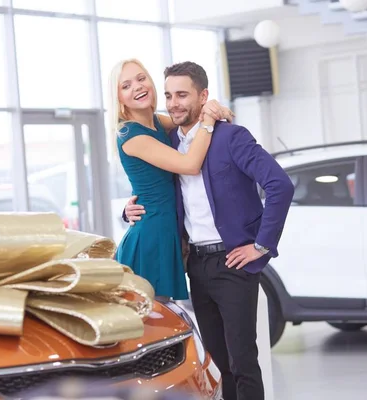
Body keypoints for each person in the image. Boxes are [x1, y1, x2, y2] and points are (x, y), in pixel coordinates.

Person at [124, 61, 294, 400]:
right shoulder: (169, 139)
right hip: (196, 264)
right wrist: (128, 210)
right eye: (170, 95)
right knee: (216, 363)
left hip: (234, 262)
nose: (174, 103)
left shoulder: (232, 137)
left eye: (183, 95)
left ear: (203, 96)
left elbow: (280, 185)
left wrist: (261, 245)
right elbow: (156, 188)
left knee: (243, 360)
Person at [108, 58, 233, 301]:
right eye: (126, 86)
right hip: (151, 238)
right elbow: (189, 165)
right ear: (119, 99)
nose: (137, 87)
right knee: (153, 326)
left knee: (165, 323)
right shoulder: (130, 135)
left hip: (168, 232)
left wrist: (214, 108)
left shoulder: (157, 122)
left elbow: (190, 119)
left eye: (141, 78)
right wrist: (209, 119)